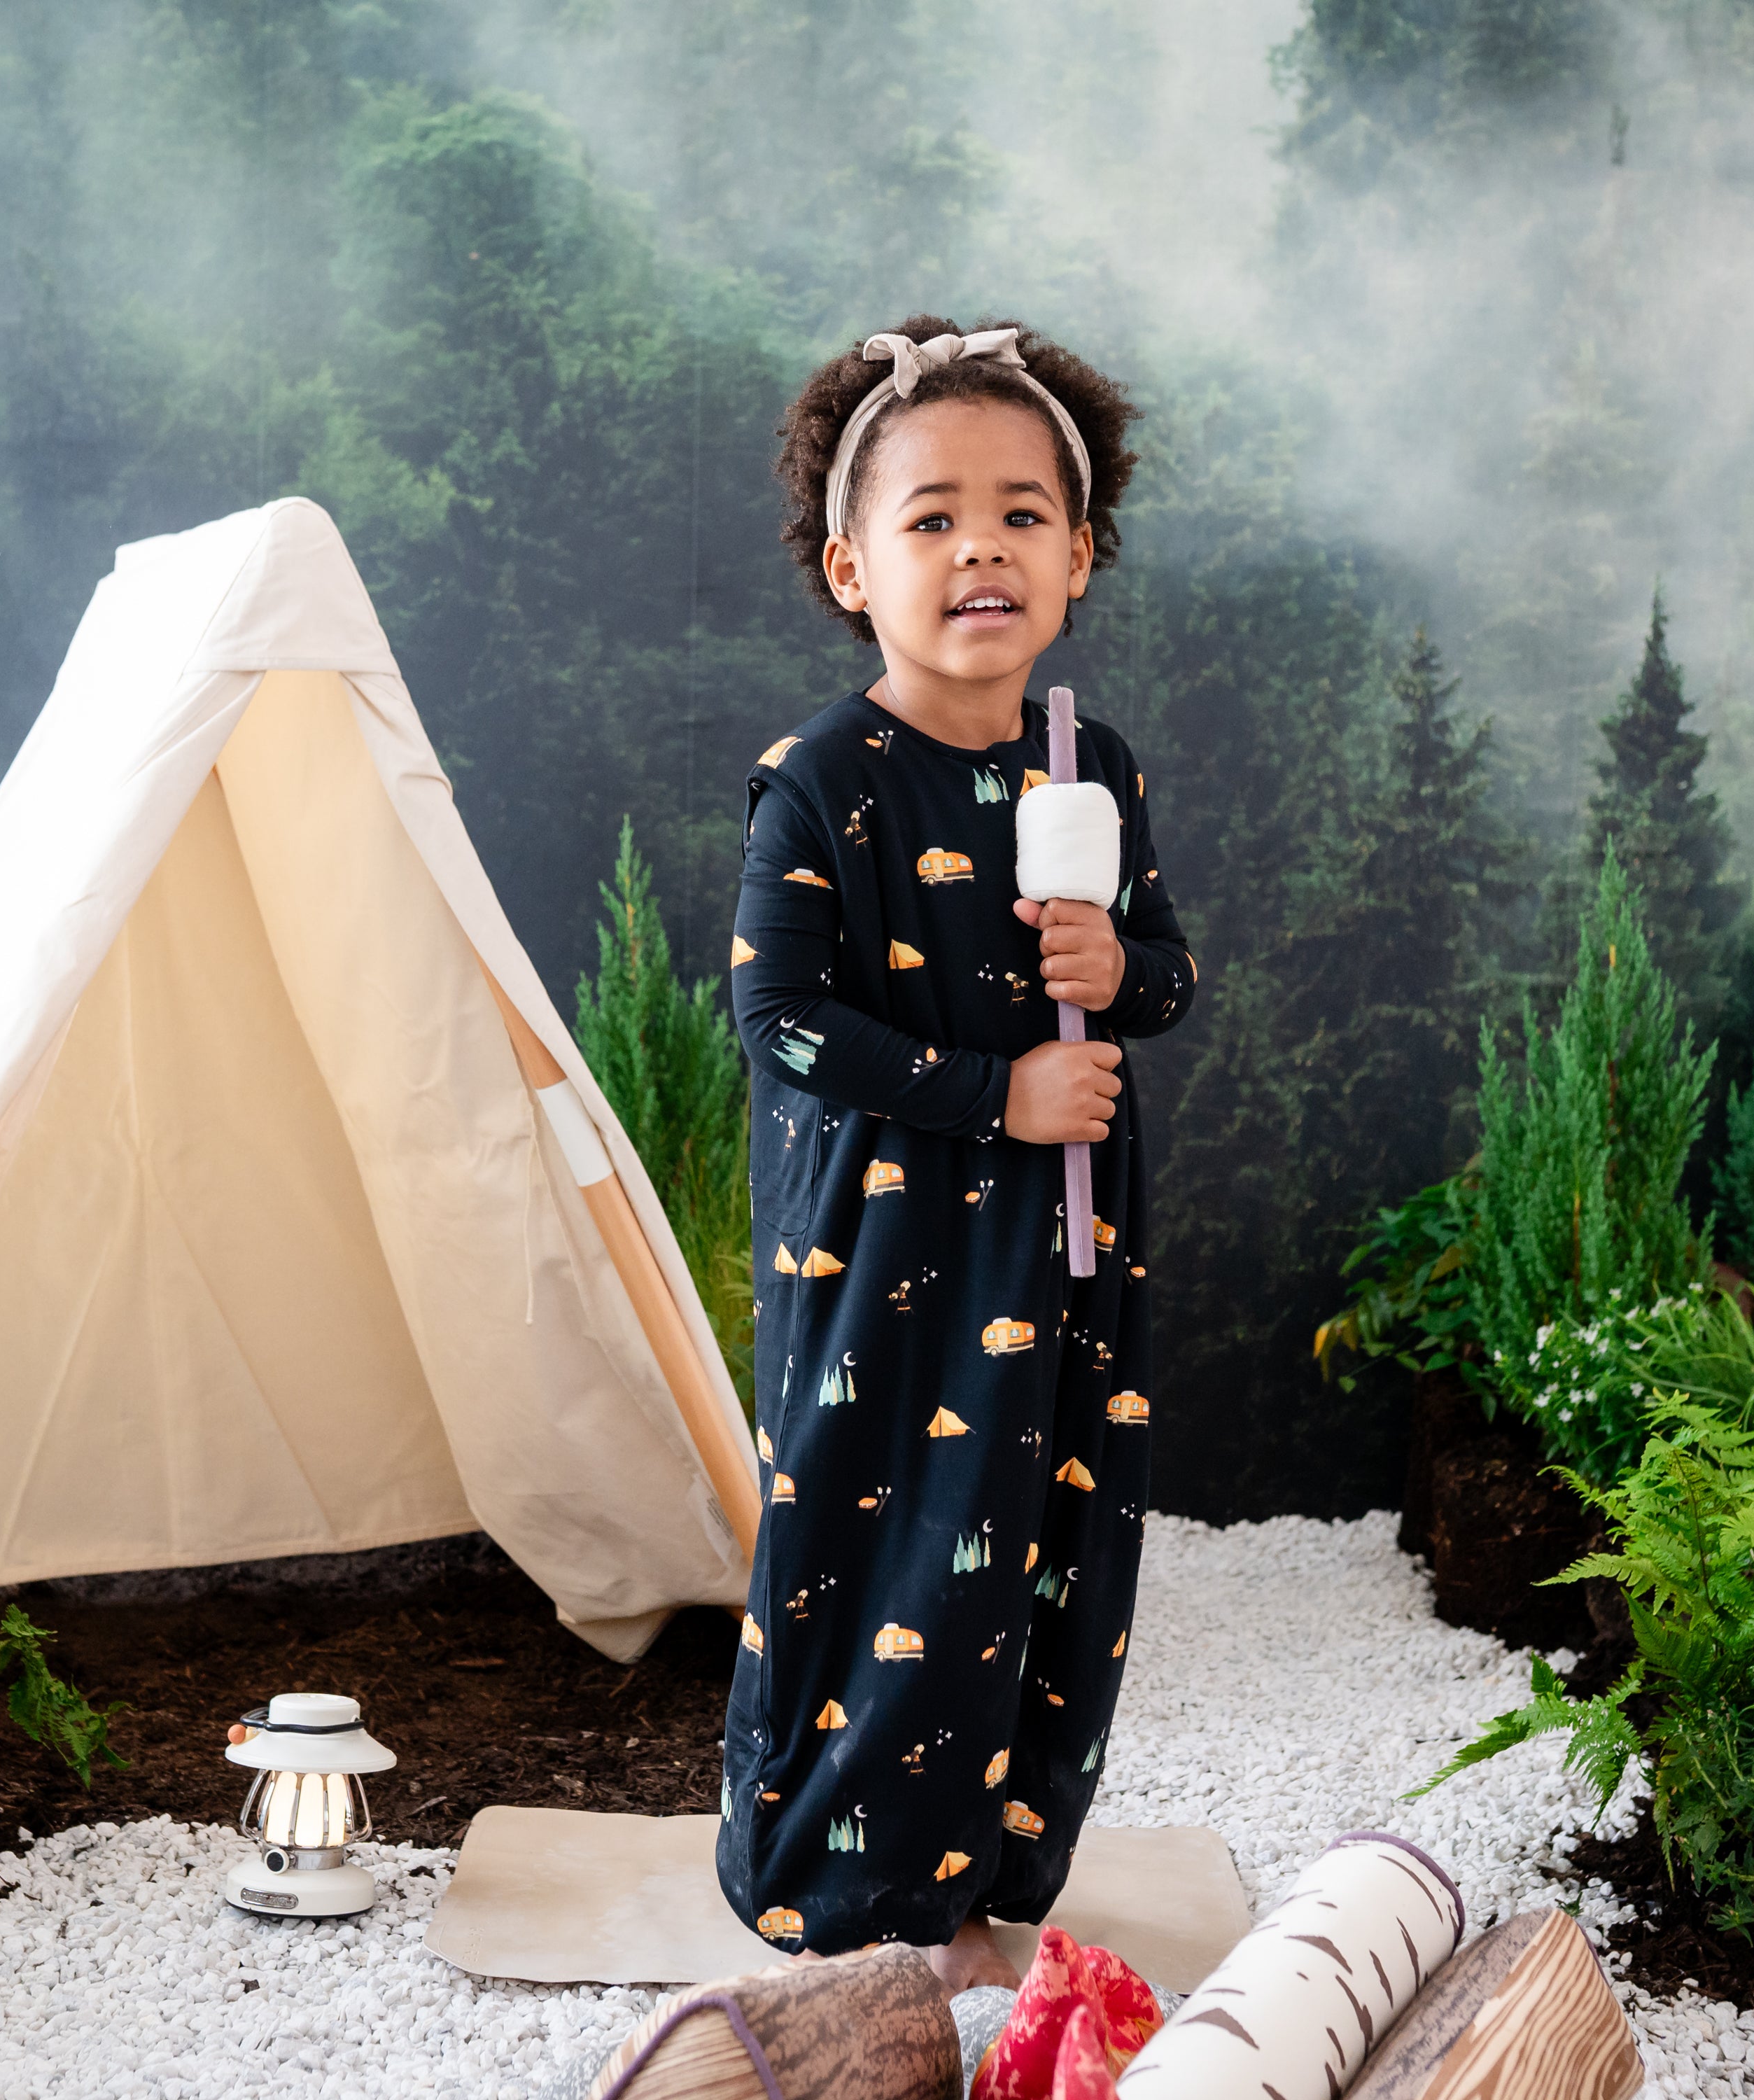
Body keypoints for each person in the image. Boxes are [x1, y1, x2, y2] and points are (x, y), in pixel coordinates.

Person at [715, 317, 1195, 1996]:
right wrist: (996, 1092)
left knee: (1054, 1536)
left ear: (1079, 555)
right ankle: (840, 1884)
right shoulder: (826, 782)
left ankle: (1000, 1859)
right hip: (888, 1246)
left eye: (1020, 513)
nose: (979, 545)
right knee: (888, 1537)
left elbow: (1173, 971)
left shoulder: (1093, 768)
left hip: (1067, 1241)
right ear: (852, 567)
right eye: (931, 518)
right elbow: (777, 1013)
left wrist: (1116, 977)